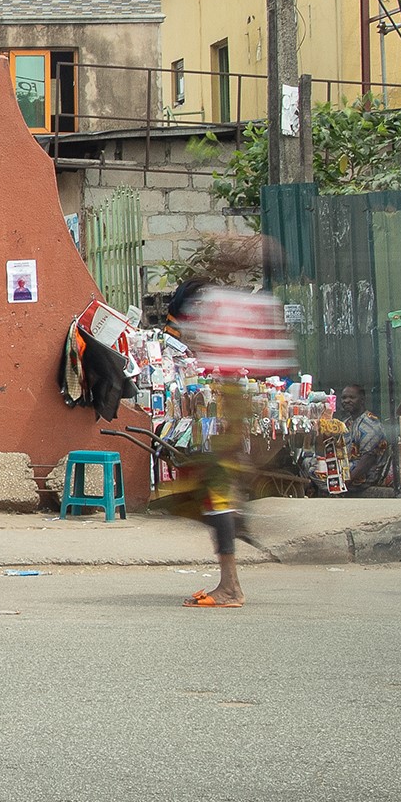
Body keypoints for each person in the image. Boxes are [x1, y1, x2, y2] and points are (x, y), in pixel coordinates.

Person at [165, 242, 294, 609]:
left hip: (231, 412)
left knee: (215, 498)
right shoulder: (251, 304)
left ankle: (231, 586)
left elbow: (223, 362)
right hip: (234, 411)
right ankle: (235, 546)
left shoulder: (225, 305)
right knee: (210, 496)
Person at [339, 384, 396, 497]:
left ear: (362, 400)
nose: (347, 401)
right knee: (312, 463)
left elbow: (368, 460)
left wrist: (345, 483)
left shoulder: (370, 424)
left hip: (368, 473)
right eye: (344, 398)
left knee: (333, 472)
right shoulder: (346, 423)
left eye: (352, 397)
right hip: (349, 468)